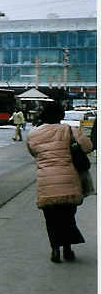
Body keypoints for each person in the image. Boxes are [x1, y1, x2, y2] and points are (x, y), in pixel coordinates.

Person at [26, 101, 93, 263]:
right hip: (69, 181)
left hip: (46, 181)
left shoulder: (33, 134)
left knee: (51, 219)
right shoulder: (70, 130)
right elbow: (88, 147)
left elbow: (34, 153)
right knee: (68, 217)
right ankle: (67, 249)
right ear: (60, 116)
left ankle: (55, 250)